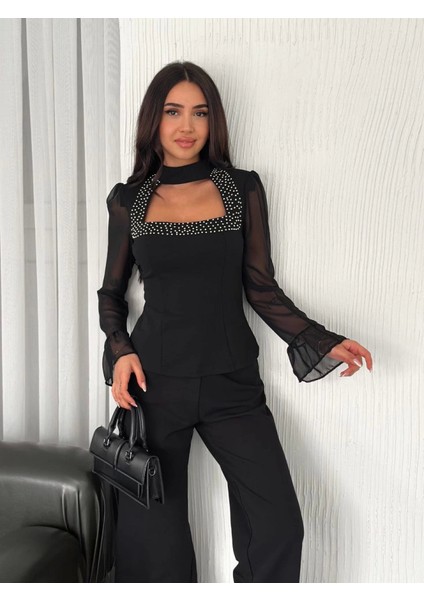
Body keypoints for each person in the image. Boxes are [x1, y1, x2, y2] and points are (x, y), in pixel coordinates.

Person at [97, 60, 373, 584]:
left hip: (232, 385)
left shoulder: (240, 188)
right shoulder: (129, 201)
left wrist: (320, 340)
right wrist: (121, 351)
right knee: (155, 546)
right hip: (154, 385)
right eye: (173, 111)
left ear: (214, 120)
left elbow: (260, 286)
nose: (187, 126)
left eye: (200, 113)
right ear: (153, 119)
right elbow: (111, 294)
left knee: (278, 527)